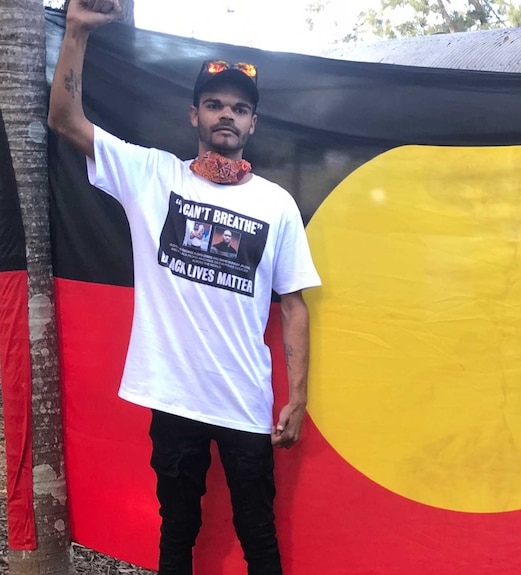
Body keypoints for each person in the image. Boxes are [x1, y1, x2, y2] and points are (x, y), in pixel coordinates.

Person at [48, 1, 321, 574]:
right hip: (173, 394)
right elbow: (66, 122)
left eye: (240, 109)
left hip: (244, 401)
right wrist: (75, 31)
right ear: (193, 114)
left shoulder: (276, 204)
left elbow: (293, 304)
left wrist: (297, 397)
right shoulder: (152, 174)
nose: (227, 115)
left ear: (253, 125)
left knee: (259, 536)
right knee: (177, 534)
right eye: (215, 104)